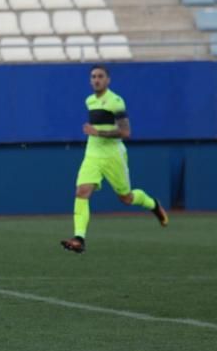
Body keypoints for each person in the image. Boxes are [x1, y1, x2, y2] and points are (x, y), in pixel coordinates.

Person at [61, 65, 168, 254]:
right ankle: (79, 238)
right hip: (93, 153)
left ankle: (153, 204)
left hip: (113, 155)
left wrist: (98, 132)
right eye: (93, 76)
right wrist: (94, 135)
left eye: (100, 76)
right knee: (82, 191)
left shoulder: (116, 102)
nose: (96, 80)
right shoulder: (90, 101)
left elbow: (125, 132)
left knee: (126, 197)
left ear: (108, 80)